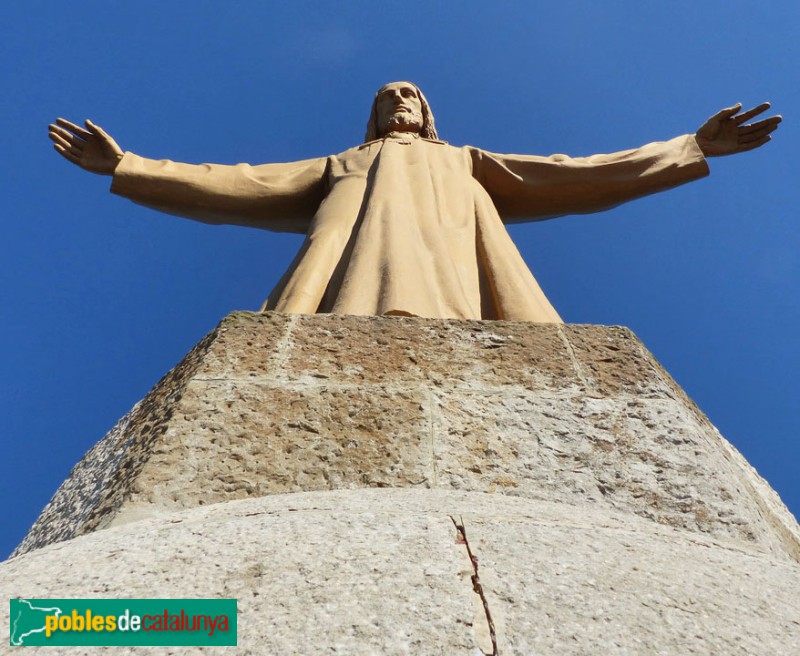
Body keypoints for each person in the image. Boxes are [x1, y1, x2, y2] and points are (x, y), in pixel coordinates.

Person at [48, 82, 780, 322]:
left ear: (427, 114)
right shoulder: (346, 162)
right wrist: (132, 165)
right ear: (374, 117)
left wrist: (689, 146)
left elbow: (574, 173)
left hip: (466, 281)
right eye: (388, 95)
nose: (400, 99)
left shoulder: (463, 160)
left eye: (412, 94)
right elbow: (240, 182)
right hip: (348, 286)